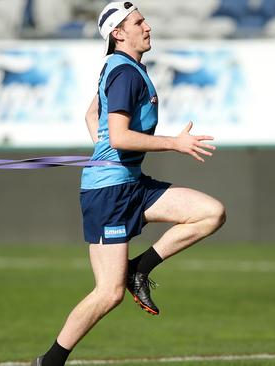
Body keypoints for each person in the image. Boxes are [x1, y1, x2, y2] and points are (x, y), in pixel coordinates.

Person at [32, 2, 226, 365]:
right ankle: (50, 361)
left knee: (211, 213)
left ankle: (140, 268)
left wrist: (102, 149)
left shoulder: (125, 68)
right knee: (108, 293)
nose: (148, 26)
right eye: (138, 21)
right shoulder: (125, 73)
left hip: (131, 184)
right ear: (118, 33)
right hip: (108, 194)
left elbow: (93, 114)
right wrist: (173, 143)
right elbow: (119, 137)